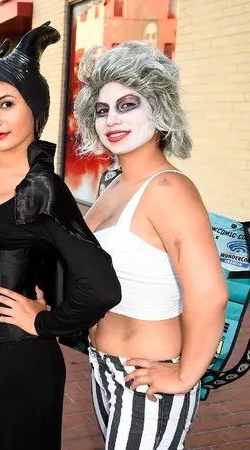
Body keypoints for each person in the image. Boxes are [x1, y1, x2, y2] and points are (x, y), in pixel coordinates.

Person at [0, 23, 122, 449]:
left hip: (21, 362)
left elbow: (102, 286)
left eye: (6, 104)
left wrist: (45, 322)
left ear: (35, 108)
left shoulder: (42, 189)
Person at [74, 42, 228, 449]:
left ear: (159, 109)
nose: (111, 119)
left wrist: (184, 375)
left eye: (127, 104)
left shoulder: (168, 188)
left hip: (151, 376)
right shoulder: (114, 184)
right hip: (106, 366)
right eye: (103, 109)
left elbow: (210, 294)